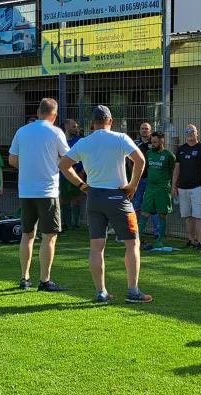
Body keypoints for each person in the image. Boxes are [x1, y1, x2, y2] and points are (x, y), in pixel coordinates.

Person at [58, 105, 152, 304]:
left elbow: (64, 165)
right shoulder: (120, 138)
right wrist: (133, 185)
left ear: (93, 123)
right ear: (111, 121)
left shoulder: (84, 142)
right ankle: (133, 291)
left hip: (93, 198)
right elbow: (140, 160)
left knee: (97, 247)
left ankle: (101, 292)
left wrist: (82, 185)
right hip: (118, 197)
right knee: (132, 243)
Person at [9, 98, 70, 291]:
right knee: (49, 236)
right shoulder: (56, 132)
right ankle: (45, 280)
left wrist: (28, 167)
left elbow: (12, 160)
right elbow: (67, 159)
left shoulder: (22, 131)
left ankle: (24, 278)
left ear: (37, 112)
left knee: (27, 234)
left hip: (26, 190)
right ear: (55, 115)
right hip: (48, 191)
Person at [172, 124, 201, 252]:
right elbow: (177, 169)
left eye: (192, 131)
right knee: (187, 215)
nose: (189, 133)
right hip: (182, 188)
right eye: (187, 131)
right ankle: (191, 239)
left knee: (198, 215)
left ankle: (200, 241)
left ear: (197, 133)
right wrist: (174, 186)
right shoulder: (181, 149)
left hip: (197, 188)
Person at [138, 131, 176, 249]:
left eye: (155, 142)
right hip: (150, 189)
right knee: (144, 212)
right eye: (151, 142)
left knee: (162, 215)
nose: (152, 144)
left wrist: (172, 186)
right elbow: (147, 168)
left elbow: (173, 171)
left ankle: (159, 240)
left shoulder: (169, 155)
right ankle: (137, 239)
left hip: (163, 189)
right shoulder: (149, 153)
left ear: (162, 142)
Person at [132, 122, 160, 241]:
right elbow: (129, 160)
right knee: (136, 205)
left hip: (152, 179)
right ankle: (133, 231)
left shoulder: (154, 144)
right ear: (139, 130)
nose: (144, 131)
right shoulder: (135, 143)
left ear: (150, 130)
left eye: (146, 129)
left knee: (154, 205)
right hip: (138, 178)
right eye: (142, 128)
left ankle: (157, 232)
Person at [59, 119, 83, 232]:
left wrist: (82, 171)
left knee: (76, 199)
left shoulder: (79, 141)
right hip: (62, 174)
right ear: (66, 126)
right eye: (74, 126)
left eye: (76, 126)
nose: (76, 129)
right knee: (64, 199)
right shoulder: (60, 140)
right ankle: (65, 223)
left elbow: (84, 157)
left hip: (76, 174)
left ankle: (76, 223)